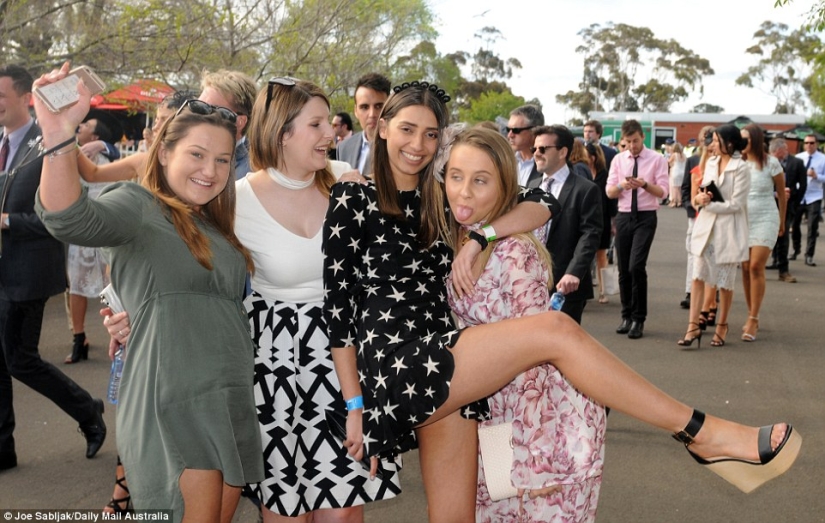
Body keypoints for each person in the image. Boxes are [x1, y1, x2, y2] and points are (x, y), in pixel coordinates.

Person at [323, 82, 801, 521]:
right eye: (407, 129)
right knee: (554, 331)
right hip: (401, 364)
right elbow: (339, 311)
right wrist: (355, 403)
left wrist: (481, 236)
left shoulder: (442, 193)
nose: (418, 145)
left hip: (453, 367)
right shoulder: (352, 195)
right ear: (381, 127)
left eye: (430, 134)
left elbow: (539, 198)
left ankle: (707, 437)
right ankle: (703, 433)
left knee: (456, 518)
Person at [34, 63, 263, 521]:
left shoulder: (213, 221)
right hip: (173, 401)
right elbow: (67, 216)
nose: (211, 170)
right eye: (197, 155)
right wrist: (59, 134)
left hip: (228, 395)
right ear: (162, 153)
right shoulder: (139, 205)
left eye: (222, 159)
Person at [238, 77, 401, 521]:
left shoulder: (348, 186)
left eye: (328, 123)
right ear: (280, 133)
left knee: (344, 511)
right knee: (284, 511)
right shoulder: (236, 200)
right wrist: (122, 308)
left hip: (347, 362)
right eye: (316, 125)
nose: (332, 134)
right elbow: (182, 254)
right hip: (276, 373)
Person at [444, 127, 607, 522]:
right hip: (497, 420)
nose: (464, 192)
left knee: (524, 511)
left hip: (539, 427)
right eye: (455, 176)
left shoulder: (513, 250)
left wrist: (537, 460)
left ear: (504, 188)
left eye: (480, 181)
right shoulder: (463, 238)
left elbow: (538, 360)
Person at [0, 64, 106, 473]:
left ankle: (88, 409)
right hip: (3, 270)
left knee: (20, 360)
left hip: (28, 274)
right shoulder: (3, 143)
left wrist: (6, 220)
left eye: (2, 96)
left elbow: (55, 217)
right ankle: (4, 449)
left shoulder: (48, 142)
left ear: (26, 97)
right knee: (4, 361)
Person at [679, 125, 751, 349]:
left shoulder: (742, 168)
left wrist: (711, 204)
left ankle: (722, 325)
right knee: (698, 275)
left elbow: (737, 204)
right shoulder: (710, 163)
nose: (712, 144)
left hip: (729, 229)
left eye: (717, 140)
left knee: (725, 282)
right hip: (706, 227)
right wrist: (698, 199)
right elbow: (703, 191)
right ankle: (693, 326)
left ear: (729, 142)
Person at [528, 125, 602, 324]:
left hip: (565, 285)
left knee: (559, 346)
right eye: (534, 149)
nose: (536, 154)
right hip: (529, 282)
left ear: (562, 152)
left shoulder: (585, 189)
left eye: (543, 149)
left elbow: (590, 235)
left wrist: (574, 272)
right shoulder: (532, 186)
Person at [605, 120, 669, 340]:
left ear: (643, 137)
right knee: (623, 268)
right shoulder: (618, 160)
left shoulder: (657, 159)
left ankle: (639, 318)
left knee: (636, 266)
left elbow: (663, 192)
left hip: (645, 216)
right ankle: (626, 315)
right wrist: (623, 185)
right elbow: (610, 192)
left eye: (635, 141)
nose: (632, 146)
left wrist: (643, 185)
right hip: (624, 215)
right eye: (628, 142)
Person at [64, 117, 115, 364]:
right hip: (82, 234)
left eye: (86, 126)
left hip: (107, 232)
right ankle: (78, 339)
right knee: (77, 286)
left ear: (96, 138)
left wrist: (105, 146)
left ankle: (120, 338)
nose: (80, 127)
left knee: (115, 288)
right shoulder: (73, 157)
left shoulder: (110, 160)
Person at [740, 124, 785, 342]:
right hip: (743, 219)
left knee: (756, 265)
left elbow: (782, 195)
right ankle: (752, 312)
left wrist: (782, 221)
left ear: (755, 140)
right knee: (745, 266)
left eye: (746, 139)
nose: (742, 143)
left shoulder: (771, 163)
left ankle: (753, 318)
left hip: (767, 217)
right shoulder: (737, 163)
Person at [337, 73, 391, 175]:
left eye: (379, 106)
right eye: (364, 107)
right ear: (356, 111)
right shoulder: (343, 148)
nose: (372, 114)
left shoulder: (400, 147)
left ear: (389, 107)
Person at [768, 138, 807, 282]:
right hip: (767, 205)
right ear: (778, 150)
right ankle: (772, 262)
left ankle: (783, 269)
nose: (786, 152)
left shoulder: (797, 163)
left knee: (783, 236)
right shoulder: (765, 164)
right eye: (784, 149)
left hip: (788, 206)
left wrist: (795, 203)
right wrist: (775, 193)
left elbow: (802, 185)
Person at [586, 141, 617, 304]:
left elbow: (611, 200)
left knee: (601, 256)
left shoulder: (604, 174)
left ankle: (603, 291)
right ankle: (584, 290)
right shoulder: (581, 172)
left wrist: (613, 221)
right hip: (585, 219)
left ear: (593, 157)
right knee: (584, 255)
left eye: (587, 154)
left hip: (602, 219)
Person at [792, 134, 825, 266]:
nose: (809, 145)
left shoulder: (823, 159)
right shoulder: (799, 158)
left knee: (812, 226)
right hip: (800, 196)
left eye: (812, 143)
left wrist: (817, 176)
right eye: (806, 143)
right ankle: (796, 250)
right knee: (794, 225)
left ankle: (809, 255)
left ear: (816, 144)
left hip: (814, 196)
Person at [507, 104, 545, 186]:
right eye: (508, 129)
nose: (510, 135)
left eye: (515, 130)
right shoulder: (506, 163)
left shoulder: (550, 165)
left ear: (534, 130)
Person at [668, 142, 686, 207]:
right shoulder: (684, 155)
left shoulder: (674, 154)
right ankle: (680, 201)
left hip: (676, 172)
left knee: (675, 187)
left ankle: (674, 202)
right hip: (682, 172)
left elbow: (669, 161)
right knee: (679, 188)